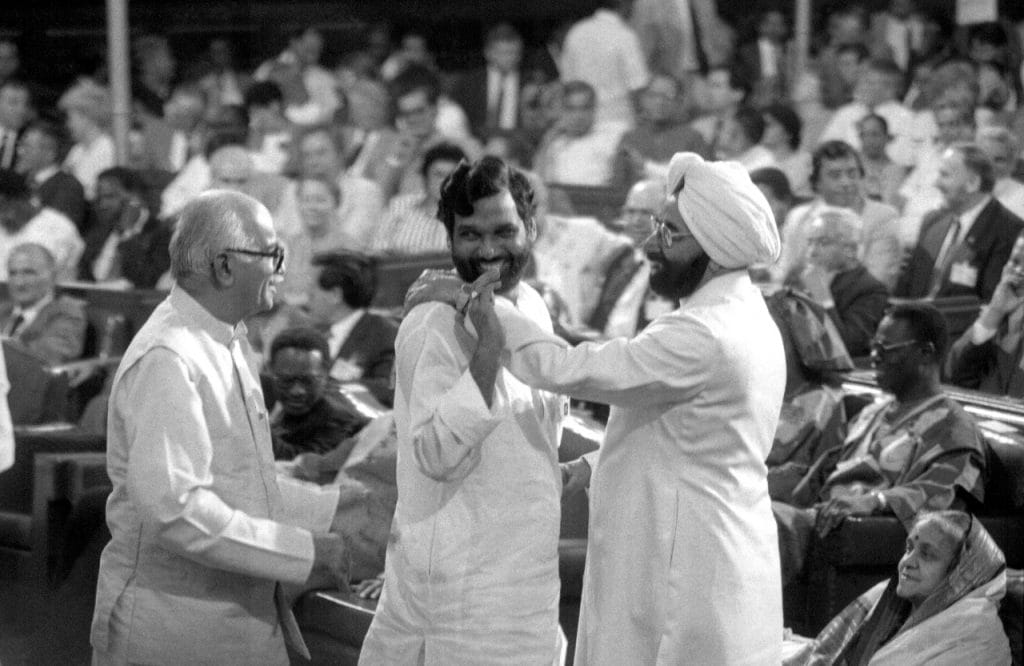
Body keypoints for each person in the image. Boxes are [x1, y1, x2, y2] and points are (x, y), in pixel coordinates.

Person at [412, 151, 787, 664]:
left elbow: (569, 368)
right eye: (658, 226)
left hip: (684, 564)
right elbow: (691, 429)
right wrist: (590, 466)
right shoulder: (741, 311)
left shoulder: (705, 332)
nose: (651, 243)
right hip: (701, 549)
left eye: (671, 233)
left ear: (718, 250)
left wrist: (471, 298)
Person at [90, 190, 350, 665]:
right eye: (273, 254)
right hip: (177, 627)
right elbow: (174, 509)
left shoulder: (226, 337)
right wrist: (301, 552)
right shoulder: (170, 356)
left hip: (233, 618)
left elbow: (239, 481)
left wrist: (333, 511)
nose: (282, 268)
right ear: (225, 267)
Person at [359, 156, 567, 664]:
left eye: (504, 231)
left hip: (529, 584)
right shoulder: (433, 323)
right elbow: (436, 453)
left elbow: (536, 439)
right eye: (470, 235)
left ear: (531, 228)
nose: (489, 249)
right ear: (449, 237)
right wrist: (488, 349)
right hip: (458, 599)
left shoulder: (534, 307)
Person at [773, 303, 987, 584]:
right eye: (873, 347)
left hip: (855, 530)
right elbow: (823, 472)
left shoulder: (954, 427)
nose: (874, 357)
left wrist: (875, 501)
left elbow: (942, 495)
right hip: (816, 516)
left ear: (925, 353)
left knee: (760, 524)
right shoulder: (872, 412)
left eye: (886, 349)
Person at [784, 510, 1011, 665]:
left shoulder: (977, 638)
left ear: (963, 573)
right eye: (909, 547)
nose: (907, 562)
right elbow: (825, 653)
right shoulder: (886, 597)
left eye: (927, 554)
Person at [896, 142, 1024, 301]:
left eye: (945, 175)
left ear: (972, 183)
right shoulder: (932, 222)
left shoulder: (1009, 231)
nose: (936, 183)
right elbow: (906, 288)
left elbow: (990, 303)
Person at [786, 208, 889, 357]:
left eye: (823, 243)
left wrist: (822, 296)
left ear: (851, 250)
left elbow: (848, 346)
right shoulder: (799, 278)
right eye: (810, 243)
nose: (812, 252)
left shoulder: (870, 289)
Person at [305, 252, 399, 406]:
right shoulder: (312, 336)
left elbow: (388, 390)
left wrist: (326, 389)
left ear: (335, 295)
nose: (307, 295)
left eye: (312, 288)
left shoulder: (385, 334)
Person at [268, 326, 369, 460]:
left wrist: (256, 428)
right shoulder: (294, 404)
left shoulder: (339, 415)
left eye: (308, 381)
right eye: (286, 380)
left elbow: (303, 465)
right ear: (271, 370)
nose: (297, 391)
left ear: (326, 372)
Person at [946, 231, 1024, 395]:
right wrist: (994, 313)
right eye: (1015, 261)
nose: (1018, 272)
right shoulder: (993, 319)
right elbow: (955, 376)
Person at [0, 242, 86, 365]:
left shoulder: (67, 313)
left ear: (52, 276)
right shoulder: (3, 310)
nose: (19, 283)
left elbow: (51, 356)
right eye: (13, 273)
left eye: (29, 273)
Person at [15, 119, 87, 230]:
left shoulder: (69, 187)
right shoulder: (19, 182)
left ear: (50, 154)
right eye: (20, 145)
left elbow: (58, 230)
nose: (20, 151)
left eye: (27, 147)